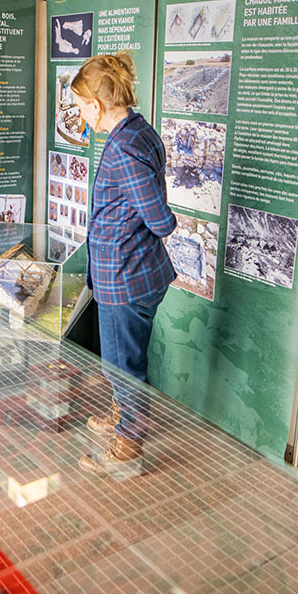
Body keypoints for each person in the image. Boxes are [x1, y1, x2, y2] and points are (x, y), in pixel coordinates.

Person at [71, 52, 176, 478]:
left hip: (127, 279)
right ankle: (123, 412)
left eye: (80, 106)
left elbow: (159, 219)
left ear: (96, 105)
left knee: (121, 363)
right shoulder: (138, 131)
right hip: (137, 272)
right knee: (121, 357)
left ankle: (130, 443)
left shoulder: (125, 148)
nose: (79, 114)